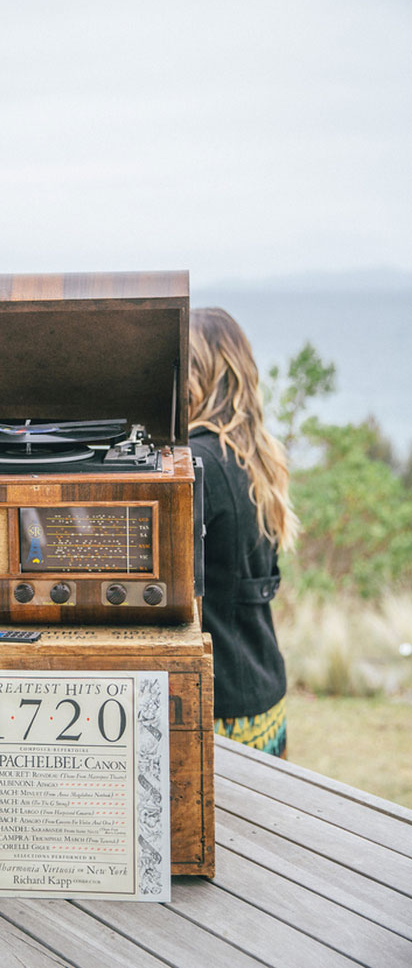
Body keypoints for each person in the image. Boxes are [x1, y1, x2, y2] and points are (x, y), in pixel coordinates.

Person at [188, 308, 298, 757]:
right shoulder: (257, 454)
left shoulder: (198, 463)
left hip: (221, 711)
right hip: (266, 697)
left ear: (198, 373)